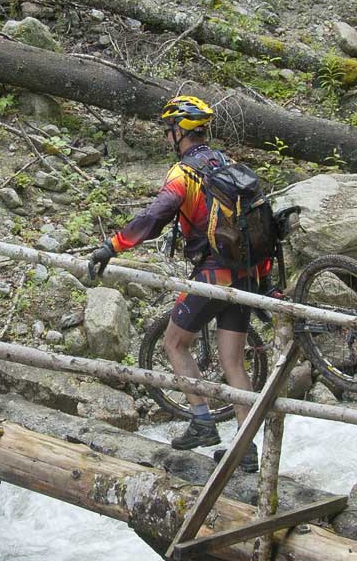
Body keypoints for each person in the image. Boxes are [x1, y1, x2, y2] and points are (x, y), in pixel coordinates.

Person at [89, 95, 271, 472]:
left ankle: (203, 421)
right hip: (244, 274)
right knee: (234, 362)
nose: (166, 137)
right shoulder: (229, 164)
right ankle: (246, 448)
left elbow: (155, 216)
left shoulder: (184, 173)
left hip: (211, 273)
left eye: (168, 130)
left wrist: (114, 245)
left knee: (174, 342)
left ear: (179, 133)